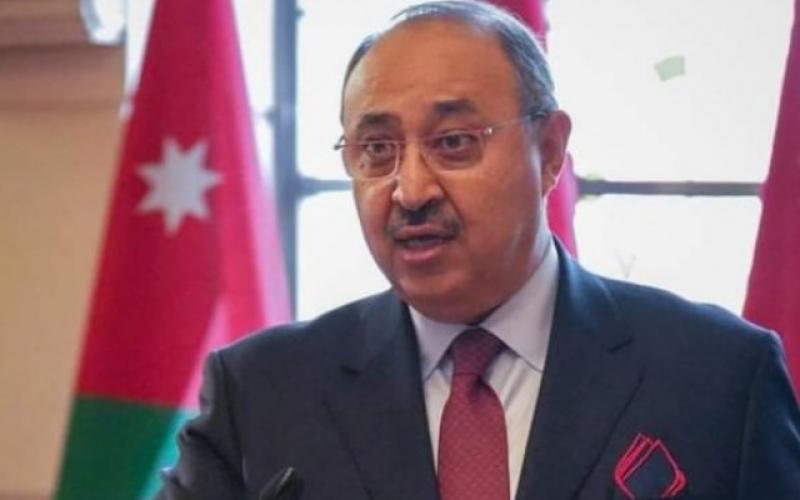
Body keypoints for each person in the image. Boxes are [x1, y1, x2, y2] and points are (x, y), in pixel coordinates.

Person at [157, 1, 800, 499]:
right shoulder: (261, 393)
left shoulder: (717, 379)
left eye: (454, 142)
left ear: (549, 152)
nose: (410, 190)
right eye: (376, 149)